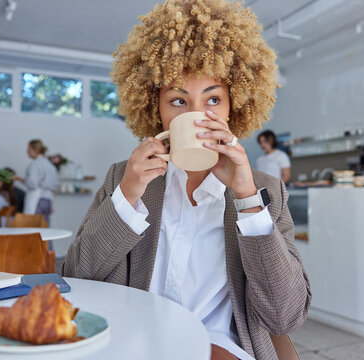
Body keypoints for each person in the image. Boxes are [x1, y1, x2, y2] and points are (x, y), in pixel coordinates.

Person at [62, 1, 311, 360]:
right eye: (178, 100)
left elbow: (285, 315)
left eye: (213, 99)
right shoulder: (125, 177)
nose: (196, 115)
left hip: (219, 350)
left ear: (233, 107)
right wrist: (127, 195)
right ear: (155, 109)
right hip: (134, 345)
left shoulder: (265, 191)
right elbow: (78, 278)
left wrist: (246, 198)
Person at [14, 140, 59, 225]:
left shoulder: (35, 165)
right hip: (48, 201)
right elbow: (55, 186)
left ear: (35, 150)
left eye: (28, 149)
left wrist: (18, 178)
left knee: (34, 228)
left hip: (37, 201)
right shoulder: (50, 165)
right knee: (46, 228)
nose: (27, 152)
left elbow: (32, 184)